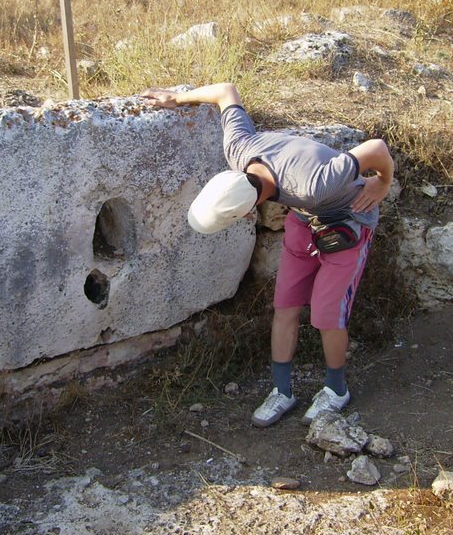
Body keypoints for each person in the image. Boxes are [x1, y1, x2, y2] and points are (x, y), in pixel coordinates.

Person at [143, 82, 395, 427]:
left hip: (347, 224)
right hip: (304, 221)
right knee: (285, 305)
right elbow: (226, 92)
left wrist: (383, 181)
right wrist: (177, 98)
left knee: (326, 315)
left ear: (249, 211)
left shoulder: (313, 184)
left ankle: (336, 390)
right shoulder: (239, 150)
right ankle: (282, 391)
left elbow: (376, 147)